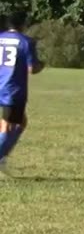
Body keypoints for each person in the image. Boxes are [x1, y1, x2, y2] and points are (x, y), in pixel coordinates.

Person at [0, 13, 43, 171]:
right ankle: (1, 155)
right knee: (9, 126)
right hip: (12, 90)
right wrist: (42, 65)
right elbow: (32, 69)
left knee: (17, 122)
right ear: (22, 25)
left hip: (1, 84)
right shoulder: (25, 41)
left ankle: (3, 155)